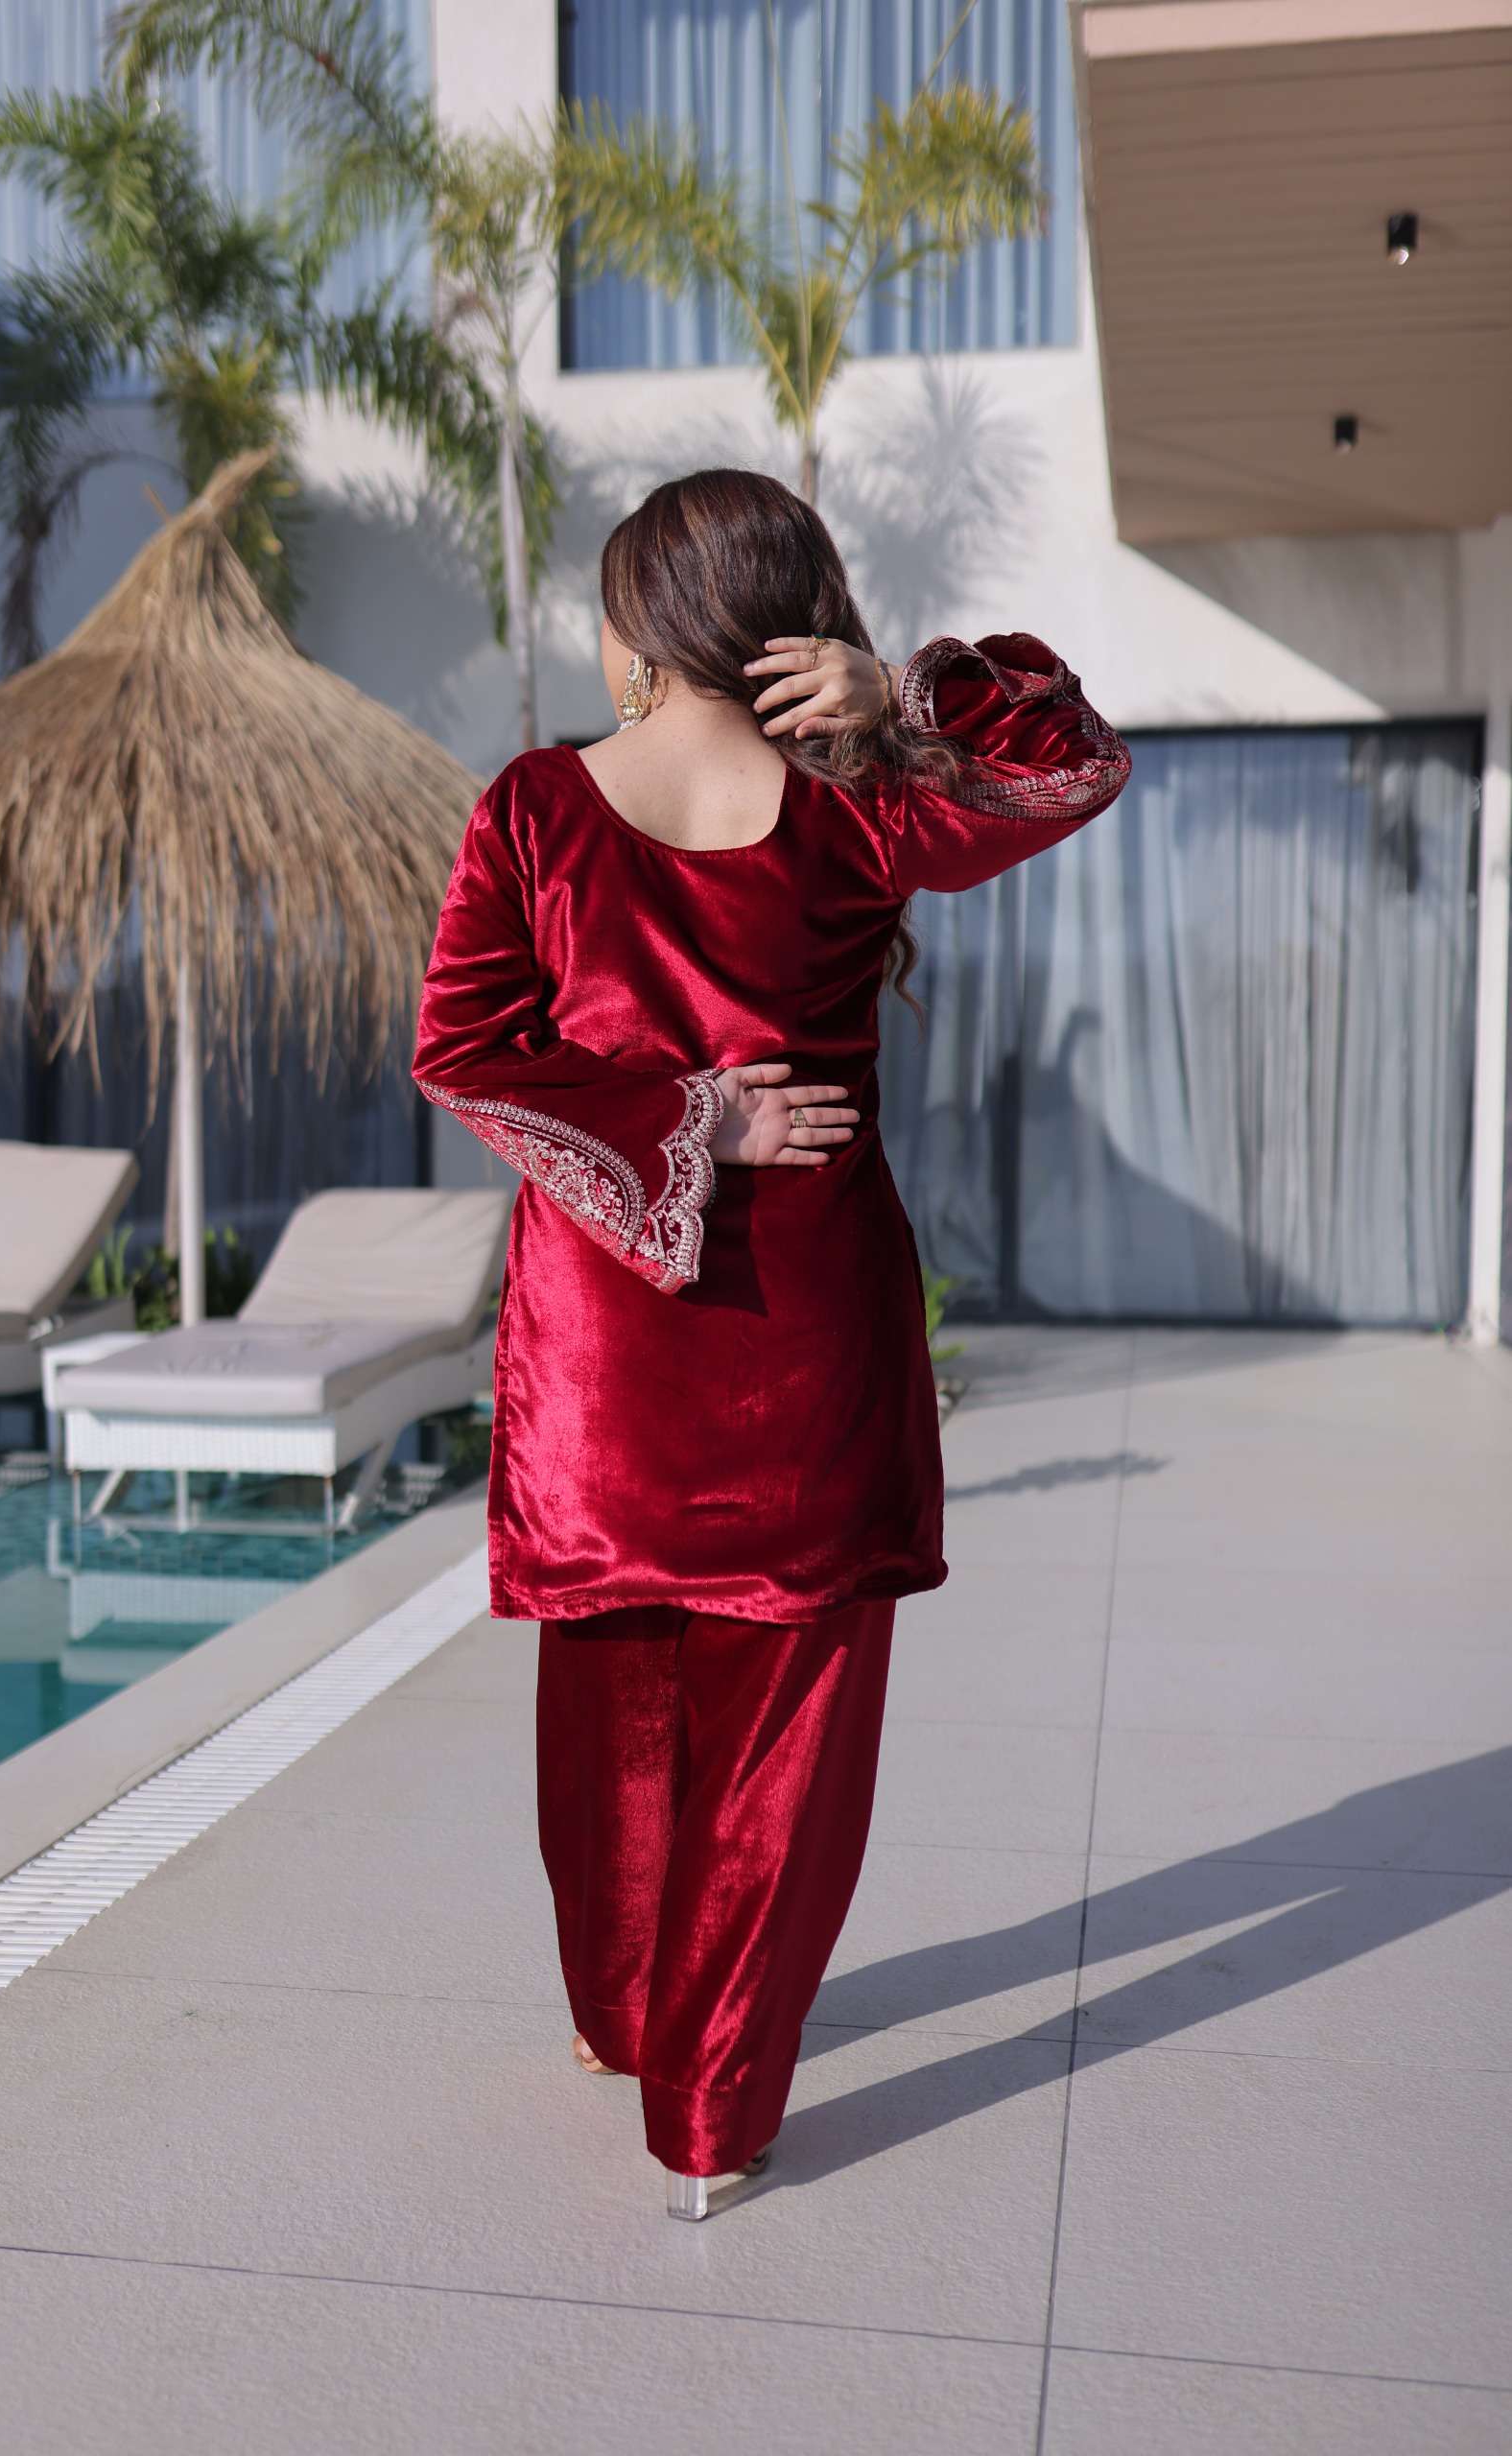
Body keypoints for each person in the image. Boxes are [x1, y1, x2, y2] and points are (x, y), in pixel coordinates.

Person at [411, 467, 1130, 2219]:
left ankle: (621, 2022)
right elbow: (1074, 763)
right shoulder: (866, 810)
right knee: (779, 1755)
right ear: (789, 619)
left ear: (645, 630)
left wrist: (671, 1124)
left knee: (613, 1718)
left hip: (604, 1358)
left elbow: (464, 1051)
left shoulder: (535, 807)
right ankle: (711, 2116)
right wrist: (912, 701)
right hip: (811, 1343)